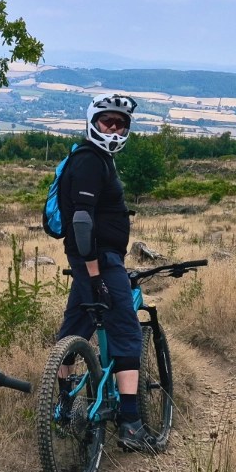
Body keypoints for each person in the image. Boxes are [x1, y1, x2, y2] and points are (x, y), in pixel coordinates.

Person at [54, 92, 163, 453]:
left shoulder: (95, 159)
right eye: (108, 122)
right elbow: (82, 221)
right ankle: (131, 425)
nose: (114, 129)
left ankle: (63, 408)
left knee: (73, 332)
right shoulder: (90, 161)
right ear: (92, 123)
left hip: (91, 263)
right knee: (127, 333)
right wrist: (97, 275)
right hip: (99, 263)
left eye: (121, 123)